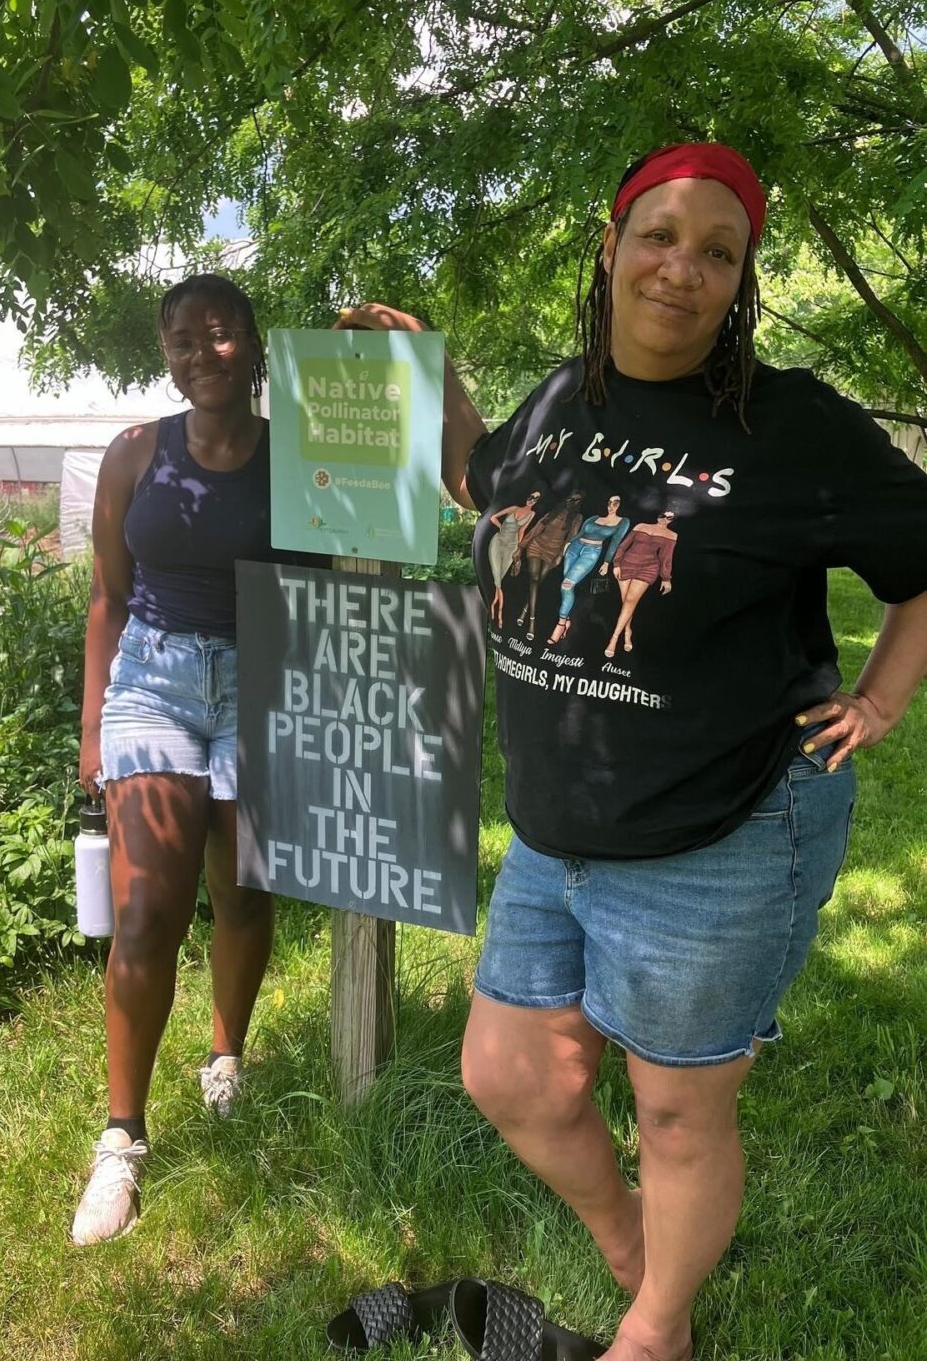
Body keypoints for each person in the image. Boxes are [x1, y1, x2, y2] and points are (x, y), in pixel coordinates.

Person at [337, 142, 927, 1361]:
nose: (684, 268)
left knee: (677, 1103)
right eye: (660, 235)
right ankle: (633, 1243)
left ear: (744, 278)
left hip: (720, 824)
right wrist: (436, 373)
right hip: (560, 823)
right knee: (512, 1074)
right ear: (610, 247)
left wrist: (881, 696)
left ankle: (656, 1326)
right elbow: (475, 477)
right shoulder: (561, 401)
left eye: (720, 251)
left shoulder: (793, 423)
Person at [73, 273, 306, 1246]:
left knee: (244, 893)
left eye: (220, 334)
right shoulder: (134, 455)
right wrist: (94, 727)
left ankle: (226, 1054)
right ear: (164, 352)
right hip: (155, 683)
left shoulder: (299, 460)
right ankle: (122, 1138)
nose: (200, 351)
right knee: (144, 912)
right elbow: (106, 597)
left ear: (254, 349)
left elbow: (330, 585)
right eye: (181, 337)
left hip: (261, 681)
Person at [547, 494, 631, 645]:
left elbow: (615, 542)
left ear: (621, 505)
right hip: (574, 548)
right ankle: (566, 620)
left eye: (616, 503)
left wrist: (606, 562)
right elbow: (579, 534)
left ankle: (560, 624)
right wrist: (569, 544)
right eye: (609, 502)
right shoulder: (593, 518)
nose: (611, 506)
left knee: (566, 586)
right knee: (566, 586)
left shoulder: (622, 522)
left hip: (591, 552)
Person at [604, 509, 678, 657]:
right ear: (657, 514)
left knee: (631, 601)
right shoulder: (641, 526)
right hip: (627, 564)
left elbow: (666, 558)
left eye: (669, 518)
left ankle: (614, 638)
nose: (665, 519)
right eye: (663, 515)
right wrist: (616, 563)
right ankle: (627, 631)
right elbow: (623, 545)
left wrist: (666, 578)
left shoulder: (672, 535)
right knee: (626, 601)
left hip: (649, 568)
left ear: (673, 521)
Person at [515, 492, 584, 641]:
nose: (571, 501)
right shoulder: (553, 512)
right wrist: (521, 547)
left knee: (539, 582)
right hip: (536, 545)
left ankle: (525, 609)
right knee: (534, 577)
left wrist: (560, 556)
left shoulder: (576, 518)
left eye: (576, 500)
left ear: (579, 504)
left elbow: (570, 539)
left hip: (553, 552)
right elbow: (536, 529)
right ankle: (532, 622)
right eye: (570, 498)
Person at [487, 490, 541, 626]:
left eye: (535, 499)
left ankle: (498, 613)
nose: (531, 500)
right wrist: (501, 527)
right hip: (498, 541)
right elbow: (493, 517)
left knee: (500, 578)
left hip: (511, 546)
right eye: (531, 496)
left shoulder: (532, 514)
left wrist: (518, 549)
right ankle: (497, 613)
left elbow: (522, 531)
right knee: (496, 576)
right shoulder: (514, 508)